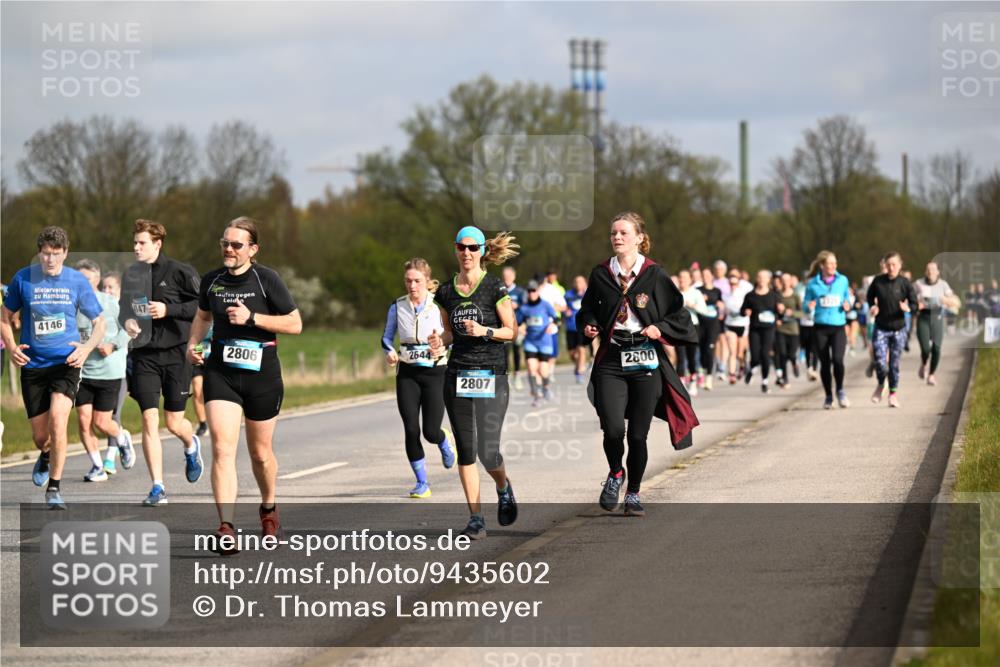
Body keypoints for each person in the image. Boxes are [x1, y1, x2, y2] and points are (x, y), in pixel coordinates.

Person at [188, 217, 303, 552]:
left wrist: (252, 318)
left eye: (237, 244)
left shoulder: (267, 280)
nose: (229, 249)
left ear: (253, 249)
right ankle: (226, 527)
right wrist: (192, 345)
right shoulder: (211, 282)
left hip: (262, 375)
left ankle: (268, 508)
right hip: (221, 372)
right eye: (225, 242)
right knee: (222, 449)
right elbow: (202, 316)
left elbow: (295, 324)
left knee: (260, 453)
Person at [577, 212, 699, 518]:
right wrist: (590, 325)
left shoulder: (655, 274)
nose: (617, 237)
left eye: (623, 233)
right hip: (613, 358)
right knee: (614, 428)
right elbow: (587, 309)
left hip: (645, 358)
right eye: (613, 233)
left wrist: (660, 328)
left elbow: (679, 315)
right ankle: (616, 473)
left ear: (639, 238)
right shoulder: (601, 273)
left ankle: (633, 493)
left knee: (637, 436)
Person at [1, 227, 106, 509]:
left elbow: (100, 323)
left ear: (66, 253)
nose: (50, 260)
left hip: (66, 363)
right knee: (40, 436)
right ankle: (45, 454)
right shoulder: (23, 278)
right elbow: (5, 316)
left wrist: (85, 348)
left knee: (59, 420)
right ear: (39, 253)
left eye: (56, 254)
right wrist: (11, 348)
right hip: (33, 365)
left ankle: (54, 489)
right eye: (46, 254)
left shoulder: (76, 281)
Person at [428, 226, 519, 540]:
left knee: (488, 451)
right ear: (455, 249)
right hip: (458, 376)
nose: (466, 253)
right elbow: (449, 332)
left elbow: (511, 331)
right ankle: (476, 519)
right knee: (466, 450)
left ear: (482, 251)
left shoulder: (494, 287)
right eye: (461, 247)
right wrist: (440, 342)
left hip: (492, 374)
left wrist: (484, 331)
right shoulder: (446, 292)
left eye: (472, 248)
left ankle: (503, 487)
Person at [120, 219, 203, 506]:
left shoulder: (181, 272)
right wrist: (129, 322)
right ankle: (158, 487)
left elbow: (202, 307)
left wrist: (169, 309)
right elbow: (124, 311)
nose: (136, 248)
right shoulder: (131, 275)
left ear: (157, 244)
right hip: (144, 355)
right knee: (148, 418)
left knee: (174, 422)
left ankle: (191, 445)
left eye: (141, 243)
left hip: (176, 354)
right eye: (134, 243)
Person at [381, 258, 455, 499]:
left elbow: (451, 335)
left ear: (426, 280)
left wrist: (440, 346)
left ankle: (443, 442)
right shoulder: (397, 306)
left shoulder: (438, 306)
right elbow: (386, 338)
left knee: (430, 432)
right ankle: (422, 483)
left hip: (435, 372)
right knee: (411, 429)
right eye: (408, 281)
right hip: (407, 374)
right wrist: (390, 352)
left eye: (417, 281)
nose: (412, 286)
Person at [73, 259, 135, 482]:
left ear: (96, 281)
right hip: (82, 372)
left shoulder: (110, 303)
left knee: (101, 423)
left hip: (109, 372)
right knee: (83, 420)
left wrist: (113, 344)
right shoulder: (70, 305)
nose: (81, 284)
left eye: (86, 280)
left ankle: (121, 436)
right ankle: (97, 466)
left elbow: (131, 329)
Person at [867, 251, 919, 407]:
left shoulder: (905, 283)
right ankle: (881, 384)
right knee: (881, 364)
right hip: (881, 328)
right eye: (888, 265)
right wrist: (873, 306)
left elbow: (914, 304)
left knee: (894, 364)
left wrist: (908, 308)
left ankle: (893, 394)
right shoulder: (878, 281)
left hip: (899, 329)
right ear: (885, 266)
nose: (891, 267)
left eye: (894, 264)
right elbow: (870, 297)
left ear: (900, 265)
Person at [803, 251, 853, 409]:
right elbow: (805, 304)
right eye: (830, 264)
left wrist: (847, 305)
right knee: (825, 363)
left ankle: (840, 390)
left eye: (835, 263)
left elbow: (847, 298)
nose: (833, 266)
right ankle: (828, 396)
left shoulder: (842, 280)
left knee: (838, 360)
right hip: (820, 328)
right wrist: (808, 306)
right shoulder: (812, 284)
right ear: (822, 265)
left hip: (838, 326)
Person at [99, 271, 131, 474]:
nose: (107, 291)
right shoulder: (98, 310)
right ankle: (121, 438)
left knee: (113, 413)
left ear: (120, 290)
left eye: (111, 287)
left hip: (120, 371)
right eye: (104, 287)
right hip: (96, 372)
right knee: (96, 419)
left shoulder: (124, 311)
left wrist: (114, 345)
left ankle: (109, 459)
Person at [516, 280, 559, 407]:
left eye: (533, 291)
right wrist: (520, 329)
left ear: (537, 291)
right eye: (529, 291)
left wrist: (552, 324)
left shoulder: (545, 305)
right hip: (530, 341)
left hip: (545, 341)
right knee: (531, 367)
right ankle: (537, 395)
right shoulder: (524, 308)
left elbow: (556, 318)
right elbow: (518, 323)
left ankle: (545, 387)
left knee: (543, 370)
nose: (531, 293)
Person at [742, 269, 783, 393]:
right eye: (759, 277)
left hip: (769, 329)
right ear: (757, 279)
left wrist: (781, 311)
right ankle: (752, 368)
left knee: (765, 354)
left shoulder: (774, 295)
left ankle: (764, 381)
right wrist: (745, 312)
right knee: (755, 355)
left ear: (768, 280)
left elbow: (780, 312)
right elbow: (742, 310)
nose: (761, 280)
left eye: (764, 278)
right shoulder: (750, 296)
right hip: (755, 328)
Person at [914, 261, 954, 387]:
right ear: (925, 271)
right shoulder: (918, 284)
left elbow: (952, 301)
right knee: (925, 349)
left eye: (933, 269)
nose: (930, 272)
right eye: (928, 269)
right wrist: (916, 303)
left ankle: (931, 374)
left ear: (938, 272)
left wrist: (944, 300)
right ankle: (924, 362)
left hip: (937, 316)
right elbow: (909, 298)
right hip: (923, 317)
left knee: (936, 348)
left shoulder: (943, 285)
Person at [676, 269, 709, 396]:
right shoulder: (675, 292)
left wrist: (692, 306)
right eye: (680, 277)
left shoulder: (695, 293)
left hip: (692, 327)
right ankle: (681, 384)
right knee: (680, 356)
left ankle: (693, 381)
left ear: (690, 279)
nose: (682, 279)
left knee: (691, 356)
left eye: (685, 277)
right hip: (678, 327)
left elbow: (704, 310)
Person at [722, 268, 752, 384]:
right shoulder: (726, 296)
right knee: (732, 351)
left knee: (740, 353)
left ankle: (743, 365)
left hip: (743, 325)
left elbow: (750, 306)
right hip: (730, 325)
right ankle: (732, 374)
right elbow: (723, 309)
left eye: (734, 283)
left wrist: (749, 311)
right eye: (730, 283)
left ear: (739, 282)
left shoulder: (744, 294)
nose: (732, 285)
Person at [697, 267, 724, 391]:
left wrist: (721, 306)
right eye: (704, 275)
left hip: (713, 325)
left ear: (712, 276)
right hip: (700, 324)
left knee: (710, 349)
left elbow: (721, 306)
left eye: (708, 275)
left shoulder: (717, 291)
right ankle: (702, 371)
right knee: (702, 350)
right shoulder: (698, 291)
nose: (706, 277)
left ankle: (709, 377)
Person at [775, 272, 803, 388]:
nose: (785, 282)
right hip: (781, 328)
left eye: (787, 280)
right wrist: (777, 317)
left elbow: (802, 312)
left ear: (791, 282)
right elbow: (772, 310)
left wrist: (793, 313)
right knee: (782, 354)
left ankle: (794, 362)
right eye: (783, 280)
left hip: (793, 329)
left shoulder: (795, 296)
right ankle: (785, 378)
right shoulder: (777, 295)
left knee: (791, 354)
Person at [501, 266, 526, 390]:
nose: (507, 279)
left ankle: (517, 375)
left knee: (517, 350)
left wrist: (523, 325)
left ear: (514, 277)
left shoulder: (520, 292)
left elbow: (526, 309)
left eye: (509, 276)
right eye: (505, 277)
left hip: (518, 326)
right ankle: (507, 377)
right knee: (505, 352)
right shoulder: (500, 290)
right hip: (505, 327)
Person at [563, 275, 589, 384]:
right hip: (570, 326)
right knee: (572, 353)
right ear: (574, 284)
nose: (578, 284)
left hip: (582, 326)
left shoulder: (589, 294)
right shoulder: (568, 295)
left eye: (581, 282)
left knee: (581, 350)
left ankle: (579, 372)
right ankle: (578, 364)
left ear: (584, 284)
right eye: (576, 282)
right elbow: (562, 306)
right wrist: (565, 311)